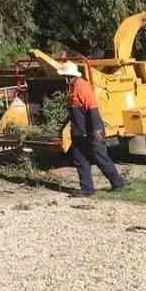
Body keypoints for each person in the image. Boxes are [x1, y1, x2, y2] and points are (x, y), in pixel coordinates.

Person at [60, 61, 128, 197]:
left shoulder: (82, 86)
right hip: (79, 132)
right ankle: (87, 189)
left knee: (100, 157)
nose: (65, 79)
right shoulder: (72, 87)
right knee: (80, 160)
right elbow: (74, 111)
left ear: (72, 75)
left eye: (66, 76)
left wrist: (96, 131)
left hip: (92, 130)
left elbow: (92, 109)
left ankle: (118, 183)